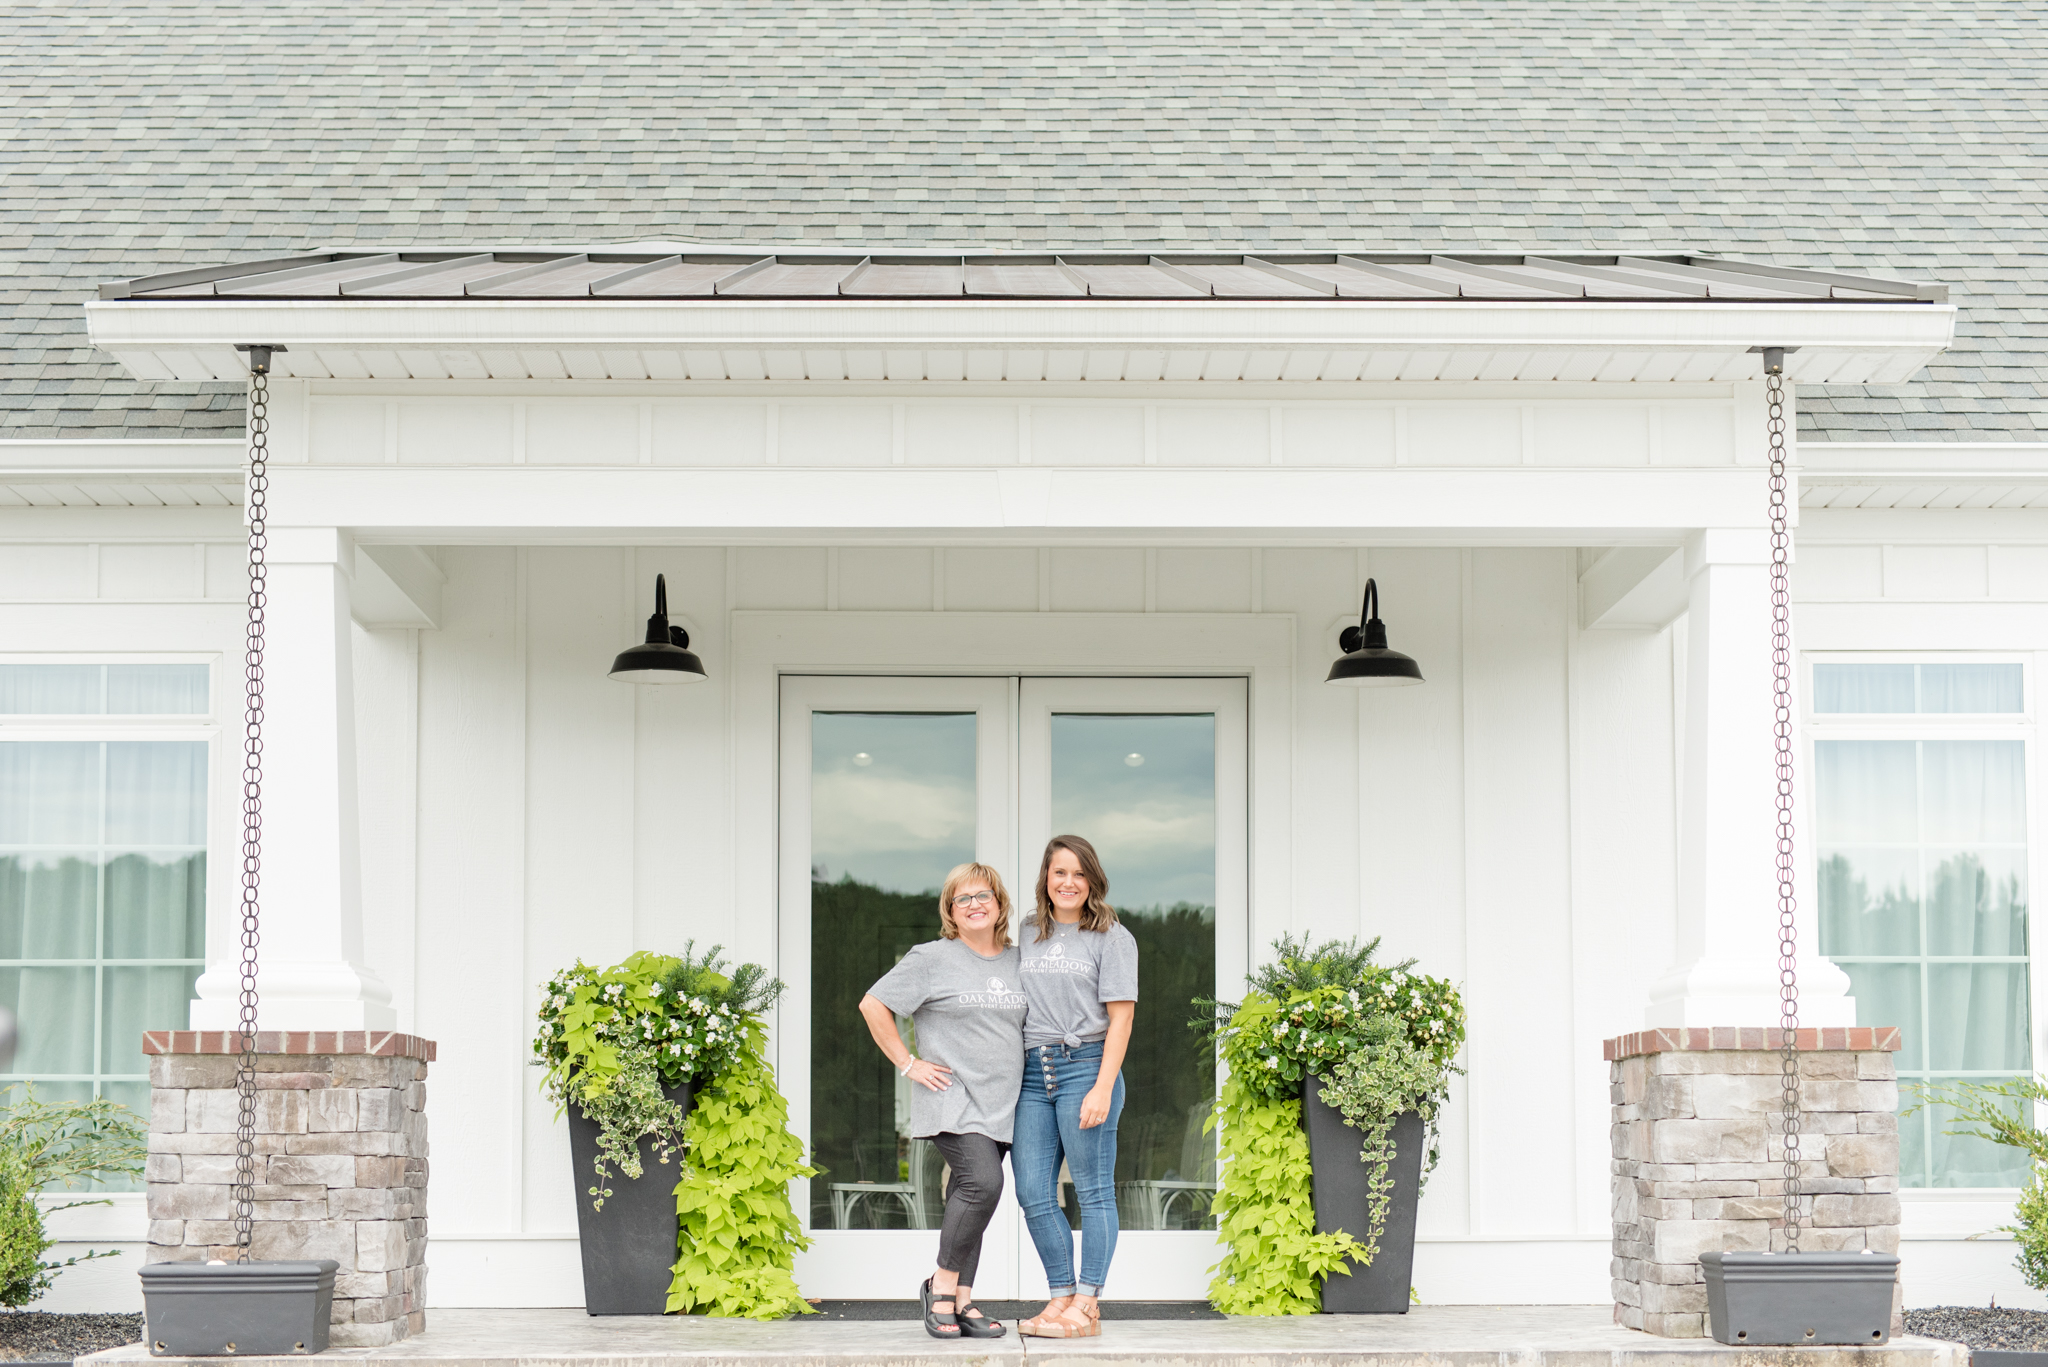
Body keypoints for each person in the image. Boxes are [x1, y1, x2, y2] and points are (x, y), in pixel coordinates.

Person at [858, 861, 1027, 1340]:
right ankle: (942, 1286)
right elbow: (874, 1004)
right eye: (963, 899)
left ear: (999, 904)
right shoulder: (931, 957)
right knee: (983, 1183)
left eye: (983, 896)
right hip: (954, 1097)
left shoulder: (1018, 960)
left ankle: (965, 1299)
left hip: (1005, 1101)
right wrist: (909, 1063)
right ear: (950, 910)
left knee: (971, 1197)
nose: (974, 905)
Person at [1013, 835, 1138, 1339]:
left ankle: (1087, 1303)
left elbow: (1122, 1019)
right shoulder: (1025, 932)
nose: (1068, 882)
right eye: (1059, 872)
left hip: (1086, 1064)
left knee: (1092, 1191)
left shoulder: (1112, 936)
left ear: (1093, 880)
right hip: (1031, 1073)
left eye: (1079, 873)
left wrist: (1104, 1086)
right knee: (1033, 1191)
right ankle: (1060, 1295)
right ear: (1046, 877)